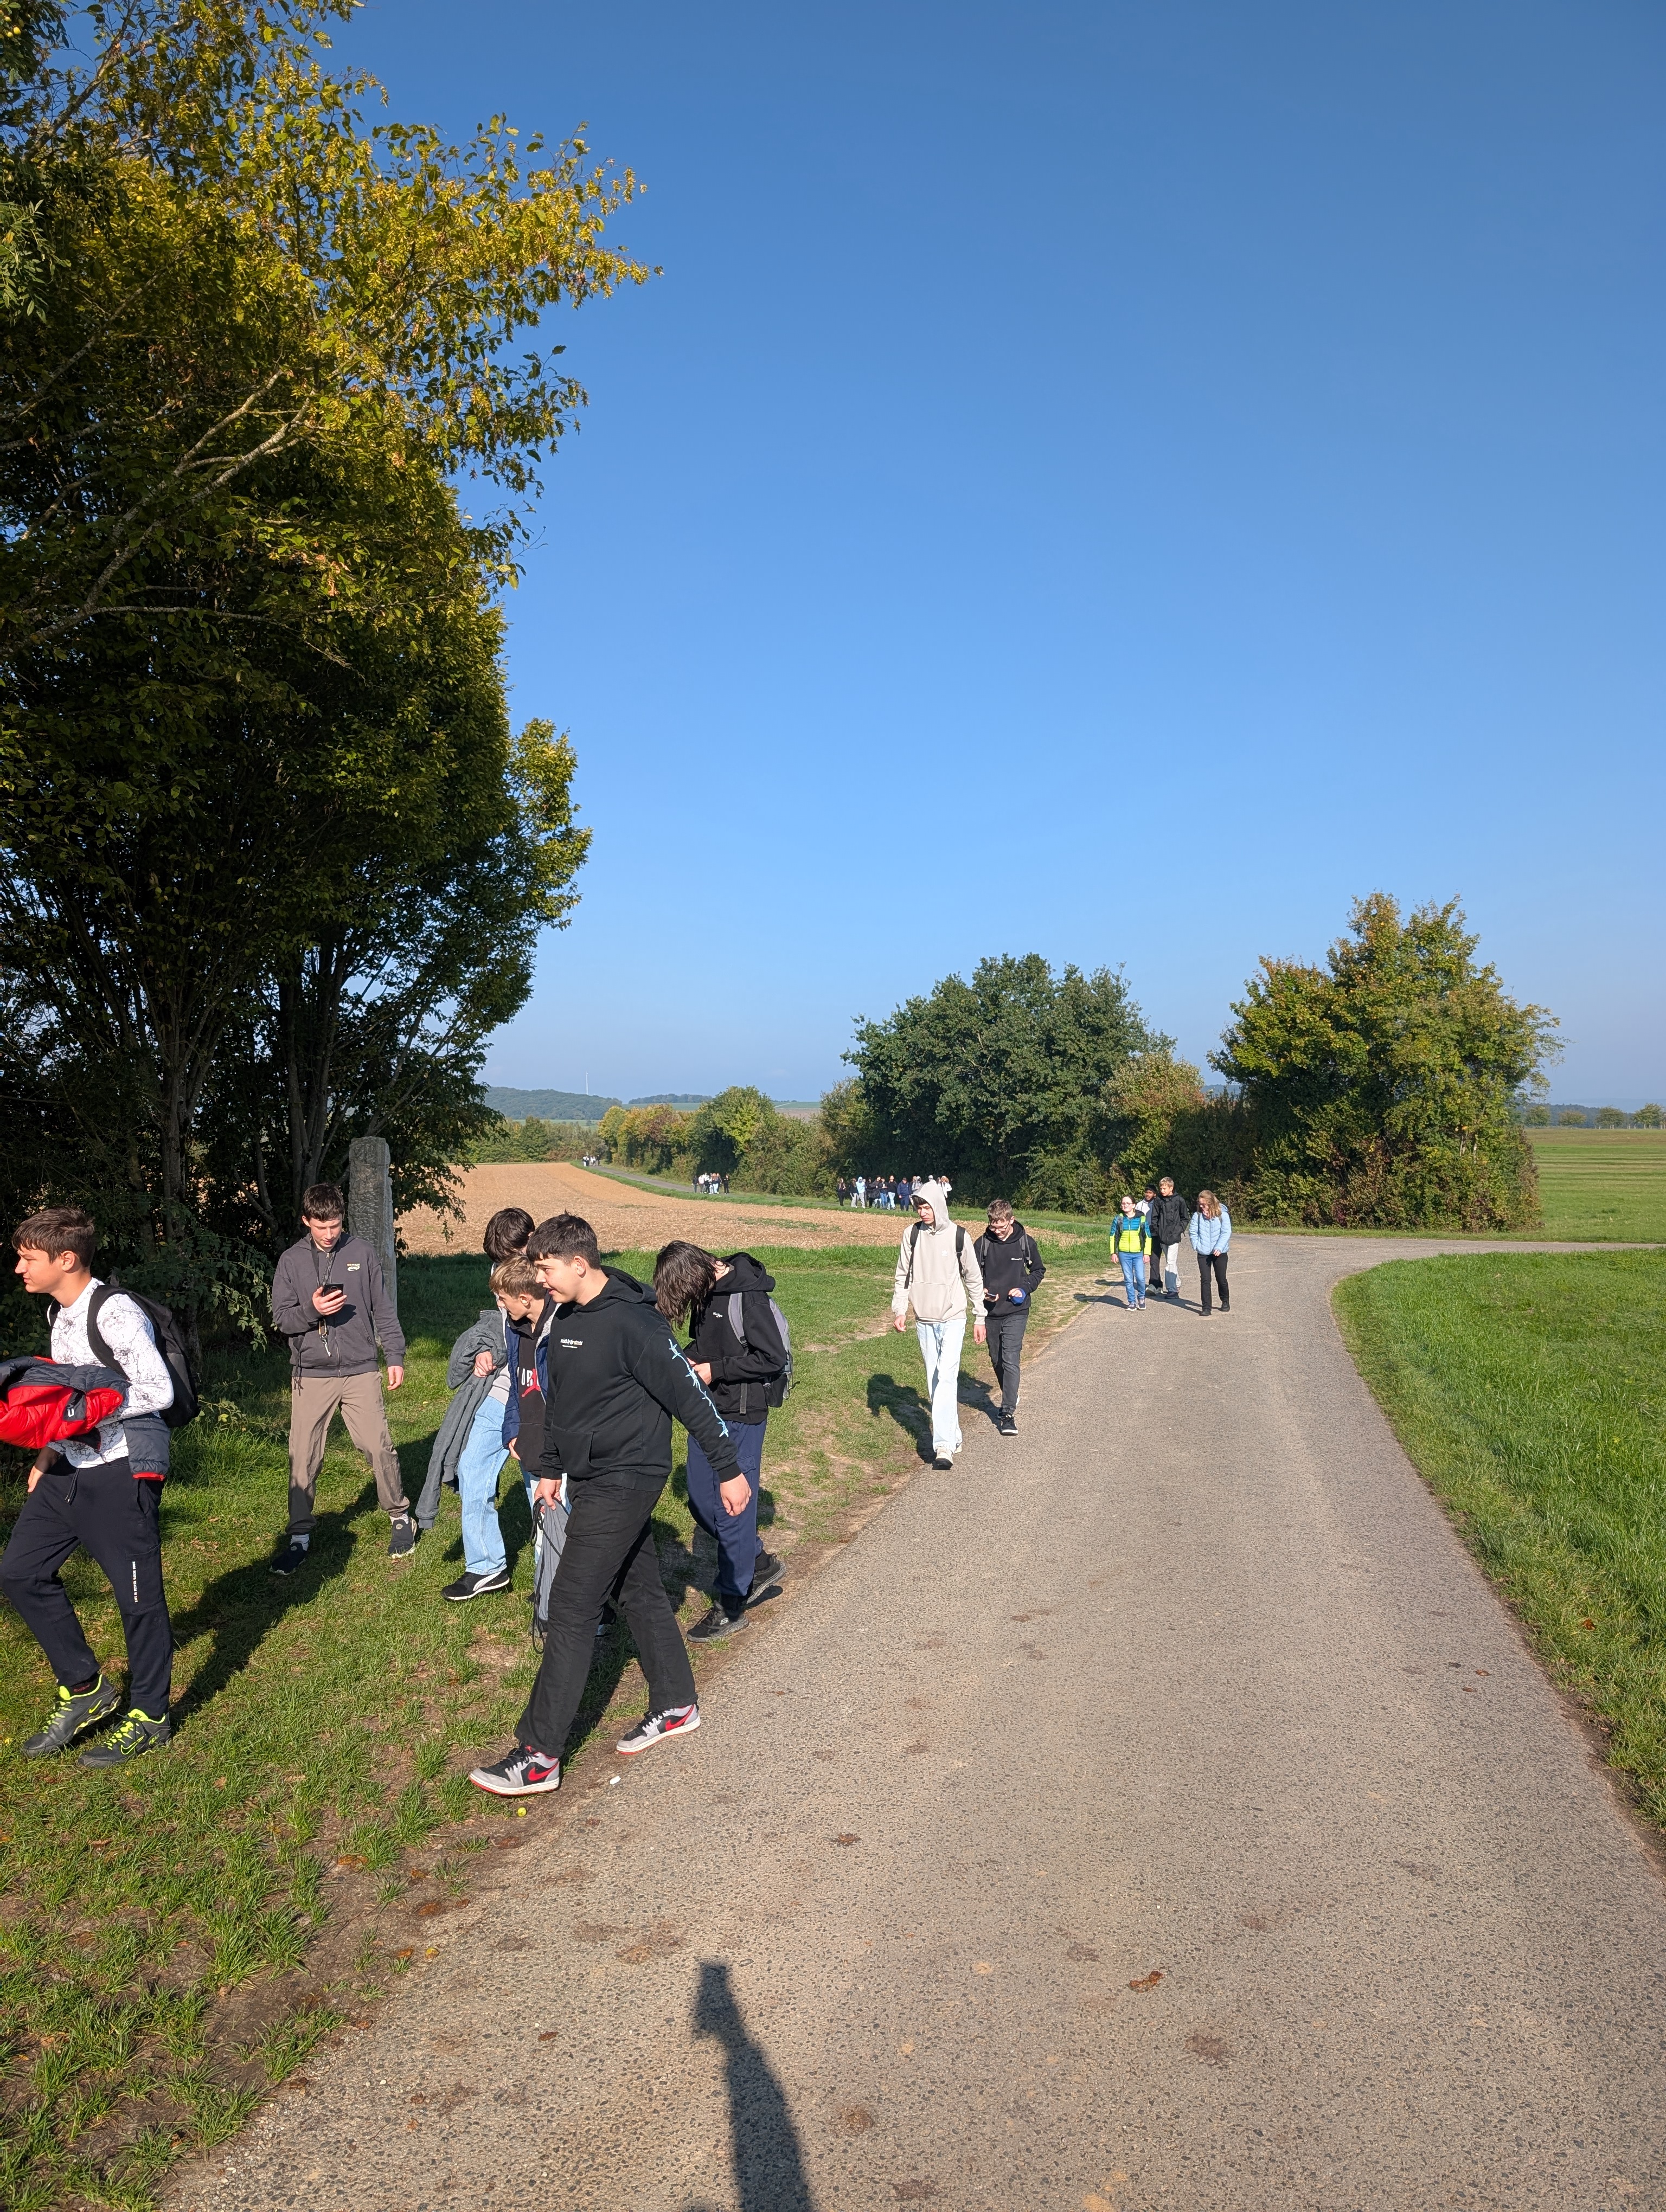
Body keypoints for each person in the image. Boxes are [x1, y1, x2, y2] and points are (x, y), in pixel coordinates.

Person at [469, 1212, 746, 1799]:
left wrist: (728, 1468)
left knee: (572, 1604)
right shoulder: (566, 1316)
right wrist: (550, 1468)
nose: (540, 1280)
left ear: (579, 1263)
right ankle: (676, 1703)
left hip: (631, 1474)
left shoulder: (634, 1324)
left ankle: (539, 1756)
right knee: (636, 1588)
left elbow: (689, 1396)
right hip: (589, 1475)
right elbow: (560, 1401)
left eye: (546, 1269)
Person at [2, 1206, 177, 1766]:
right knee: (20, 1572)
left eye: (28, 1259)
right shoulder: (60, 1312)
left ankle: (150, 1715)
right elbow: (68, 1396)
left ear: (66, 1259)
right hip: (68, 1471)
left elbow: (159, 1390)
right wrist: (50, 1451)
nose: (19, 1269)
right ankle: (85, 1689)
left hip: (119, 1473)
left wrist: (87, 1416)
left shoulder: (115, 1313)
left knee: (138, 1600)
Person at [269, 1181, 409, 1573]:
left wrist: (394, 1355)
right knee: (304, 1456)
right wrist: (312, 1310)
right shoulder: (290, 1261)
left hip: (361, 1368)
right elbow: (282, 1320)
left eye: (335, 1225)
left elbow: (384, 1309)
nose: (330, 1234)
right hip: (311, 1375)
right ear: (306, 1221)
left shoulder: (362, 1253)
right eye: (321, 1226)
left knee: (377, 1445)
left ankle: (400, 1517)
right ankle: (299, 1536)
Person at [654, 1241, 786, 1641]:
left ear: (696, 1275)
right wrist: (686, 1358)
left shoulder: (749, 1299)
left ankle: (731, 1604)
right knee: (700, 1501)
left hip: (745, 1414)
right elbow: (705, 1345)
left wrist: (717, 1369)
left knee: (732, 1513)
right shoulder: (706, 1293)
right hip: (711, 1412)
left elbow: (772, 1358)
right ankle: (758, 1561)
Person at [416, 1256, 545, 1599]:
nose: (499, 1304)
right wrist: (483, 1352)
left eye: (503, 1299)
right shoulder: (505, 1285)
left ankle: (552, 1576)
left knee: (542, 1487)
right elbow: (498, 1334)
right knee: (471, 1467)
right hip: (502, 1396)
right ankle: (486, 1566)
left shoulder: (547, 1282)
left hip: (540, 1402)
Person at [891, 1180, 985, 1470]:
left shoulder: (959, 1236)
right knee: (935, 1381)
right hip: (924, 1319)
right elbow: (903, 1275)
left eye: (927, 1206)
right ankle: (954, 1434)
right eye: (919, 1207)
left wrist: (979, 1315)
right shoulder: (911, 1235)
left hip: (954, 1317)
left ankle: (943, 1446)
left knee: (946, 1378)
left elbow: (973, 1277)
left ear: (938, 1206)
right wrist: (900, 1309)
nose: (922, 1212)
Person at [974, 1200, 1046, 1436]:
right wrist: (983, 1290)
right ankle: (1011, 1393)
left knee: (1010, 1358)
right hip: (991, 1312)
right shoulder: (982, 1244)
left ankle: (1007, 1413)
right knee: (996, 1360)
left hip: (1017, 1310)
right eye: (993, 1226)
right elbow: (972, 1275)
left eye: (1001, 1226)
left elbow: (1038, 1271)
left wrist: (1024, 1289)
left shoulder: (1025, 1242)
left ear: (1011, 1220)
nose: (997, 1231)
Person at [1190, 1189, 1232, 1314]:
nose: (1202, 1206)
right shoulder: (1197, 1216)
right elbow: (1193, 1232)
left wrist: (1219, 1247)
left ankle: (1225, 1301)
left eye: (1204, 1204)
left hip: (1220, 1253)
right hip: (1203, 1252)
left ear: (1211, 1203)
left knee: (1221, 1278)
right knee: (1205, 1280)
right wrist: (1197, 1245)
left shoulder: (1222, 1215)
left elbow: (1226, 1232)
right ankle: (1206, 1308)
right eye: (1200, 1204)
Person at [1148, 1177, 1189, 1301]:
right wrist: (1158, 1231)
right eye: (1161, 1188)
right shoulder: (1158, 1200)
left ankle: (1172, 1290)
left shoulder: (1179, 1200)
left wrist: (1179, 1230)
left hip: (1174, 1237)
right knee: (1170, 1261)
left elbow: (1185, 1218)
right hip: (1162, 1236)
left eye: (1164, 1188)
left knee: (1170, 1262)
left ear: (1171, 1188)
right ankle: (1177, 1282)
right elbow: (1154, 1218)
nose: (1162, 1190)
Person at [1110, 1195, 1151, 1309]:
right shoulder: (1118, 1219)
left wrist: (1147, 1253)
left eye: (1128, 1203)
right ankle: (1132, 1302)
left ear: (1134, 1205)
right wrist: (1113, 1253)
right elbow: (1113, 1236)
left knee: (1141, 1279)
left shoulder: (1142, 1219)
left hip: (1138, 1254)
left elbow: (1148, 1237)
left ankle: (1141, 1297)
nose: (1125, 1205)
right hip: (1124, 1254)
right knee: (1128, 1279)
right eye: (1123, 1203)